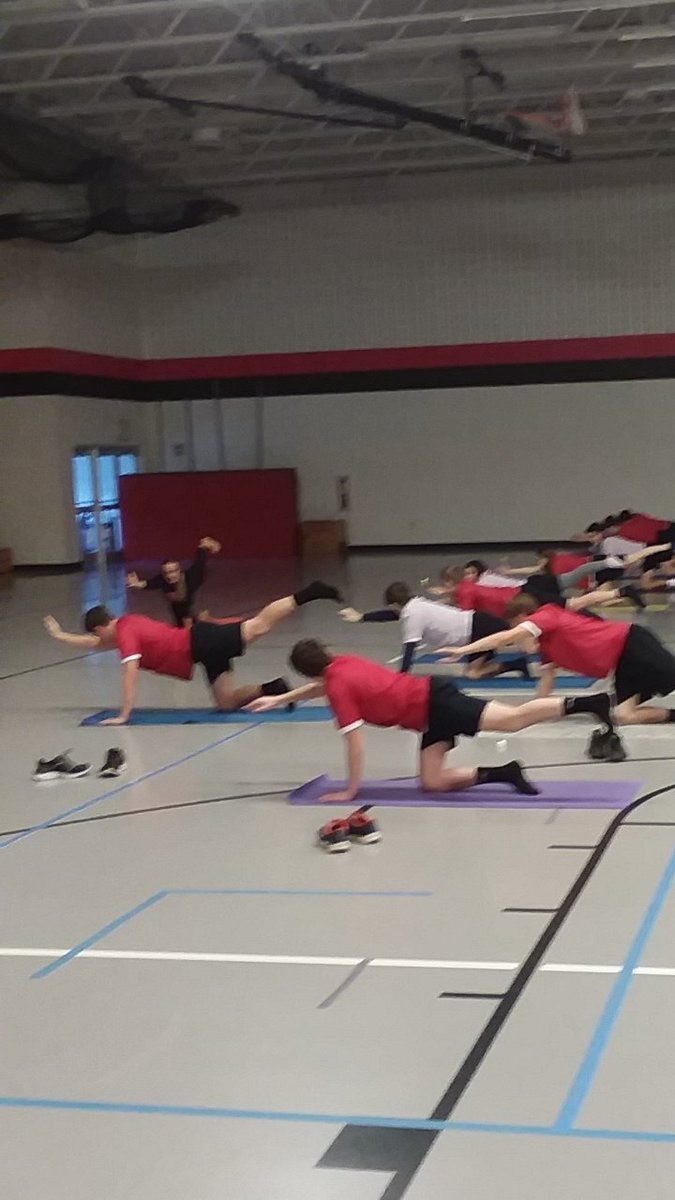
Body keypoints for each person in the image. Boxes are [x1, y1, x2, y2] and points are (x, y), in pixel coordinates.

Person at [246, 639, 616, 800]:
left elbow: (356, 746)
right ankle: (505, 772)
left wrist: (350, 790)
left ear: (307, 670)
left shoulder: (338, 684)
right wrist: (279, 698)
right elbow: (319, 688)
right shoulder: (341, 665)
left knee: (514, 719)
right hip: (427, 713)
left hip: (436, 703)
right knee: (433, 783)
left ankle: (590, 702)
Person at [43, 580, 342, 725]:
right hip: (201, 652)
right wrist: (60, 636)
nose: (99, 642)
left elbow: (129, 674)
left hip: (201, 641)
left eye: (97, 635)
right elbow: (93, 644)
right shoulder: (121, 628)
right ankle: (272, 688)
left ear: (100, 627)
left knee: (258, 627)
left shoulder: (126, 632)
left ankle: (309, 592)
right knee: (226, 703)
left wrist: (124, 714)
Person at [445, 591, 675, 742]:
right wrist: (535, 713)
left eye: (516, 623)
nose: (518, 632)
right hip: (623, 664)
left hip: (631, 643)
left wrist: (463, 650)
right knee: (623, 716)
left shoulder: (546, 617)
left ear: (524, 616)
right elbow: (546, 683)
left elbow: (505, 637)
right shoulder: (546, 646)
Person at [340, 581, 531, 678]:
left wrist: (401, 677)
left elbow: (409, 650)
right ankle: (510, 662)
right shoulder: (414, 605)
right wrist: (362, 618)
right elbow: (393, 614)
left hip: (478, 630)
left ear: (395, 604)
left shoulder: (412, 615)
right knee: (517, 637)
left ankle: (518, 664)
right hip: (476, 624)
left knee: (473, 674)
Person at [126, 536, 221, 628]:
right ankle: (193, 623)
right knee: (180, 616)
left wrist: (204, 547)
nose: (170, 576)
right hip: (179, 607)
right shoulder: (162, 580)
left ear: (179, 570)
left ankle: (203, 544)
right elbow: (148, 584)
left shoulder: (191, 576)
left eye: (173, 572)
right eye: (166, 573)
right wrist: (137, 584)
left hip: (194, 582)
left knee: (199, 566)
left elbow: (199, 562)